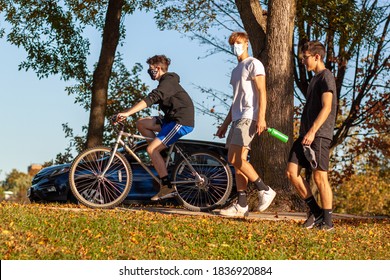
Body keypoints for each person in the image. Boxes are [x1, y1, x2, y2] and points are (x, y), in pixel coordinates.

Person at [116, 55, 195, 201]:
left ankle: (166, 186)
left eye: (150, 69)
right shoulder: (166, 83)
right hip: (170, 119)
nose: (149, 72)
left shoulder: (168, 81)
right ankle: (162, 156)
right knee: (141, 123)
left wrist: (127, 112)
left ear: (157, 68)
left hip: (181, 121)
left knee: (151, 149)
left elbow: (151, 99)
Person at [215, 31, 276, 218]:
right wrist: (225, 124)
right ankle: (241, 205)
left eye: (239, 43)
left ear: (246, 43)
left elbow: (261, 92)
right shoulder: (235, 71)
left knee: (234, 158)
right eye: (233, 43)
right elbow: (235, 101)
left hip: (249, 116)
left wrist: (262, 117)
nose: (236, 46)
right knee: (237, 163)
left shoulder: (254, 64)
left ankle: (264, 189)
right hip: (236, 118)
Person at [286, 41, 337, 231]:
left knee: (320, 177)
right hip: (306, 135)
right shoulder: (314, 79)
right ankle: (315, 213)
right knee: (291, 172)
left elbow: (327, 107)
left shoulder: (326, 77)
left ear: (316, 57)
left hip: (319, 135)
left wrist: (313, 131)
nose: (303, 62)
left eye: (305, 57)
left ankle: (328, 222)